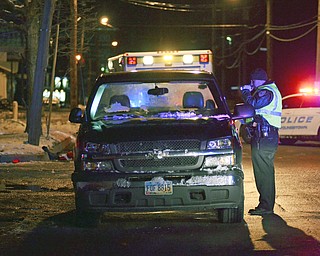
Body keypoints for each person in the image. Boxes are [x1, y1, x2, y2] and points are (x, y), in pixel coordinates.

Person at [240, 68, 282, 215]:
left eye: (252, 81)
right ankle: (266, 204)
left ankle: (265, 206)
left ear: (258, 80)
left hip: (264, 136)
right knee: (265, 171)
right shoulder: (270, 89)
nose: (251, 84)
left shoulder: (266, 91)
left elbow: (254, 104)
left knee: (263, 171)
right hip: (267, 136)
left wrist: (245, 92)